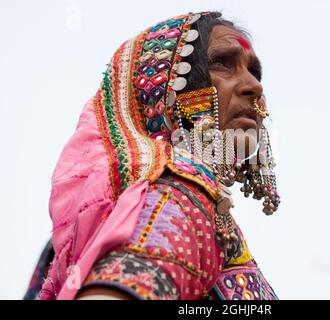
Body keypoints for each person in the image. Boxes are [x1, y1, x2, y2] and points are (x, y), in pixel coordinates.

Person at [27, 11, 280, 300]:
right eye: (222, 63)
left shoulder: (173, 203)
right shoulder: (182, 195)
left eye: (254, 72)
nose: (254, 86)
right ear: (165, 91)